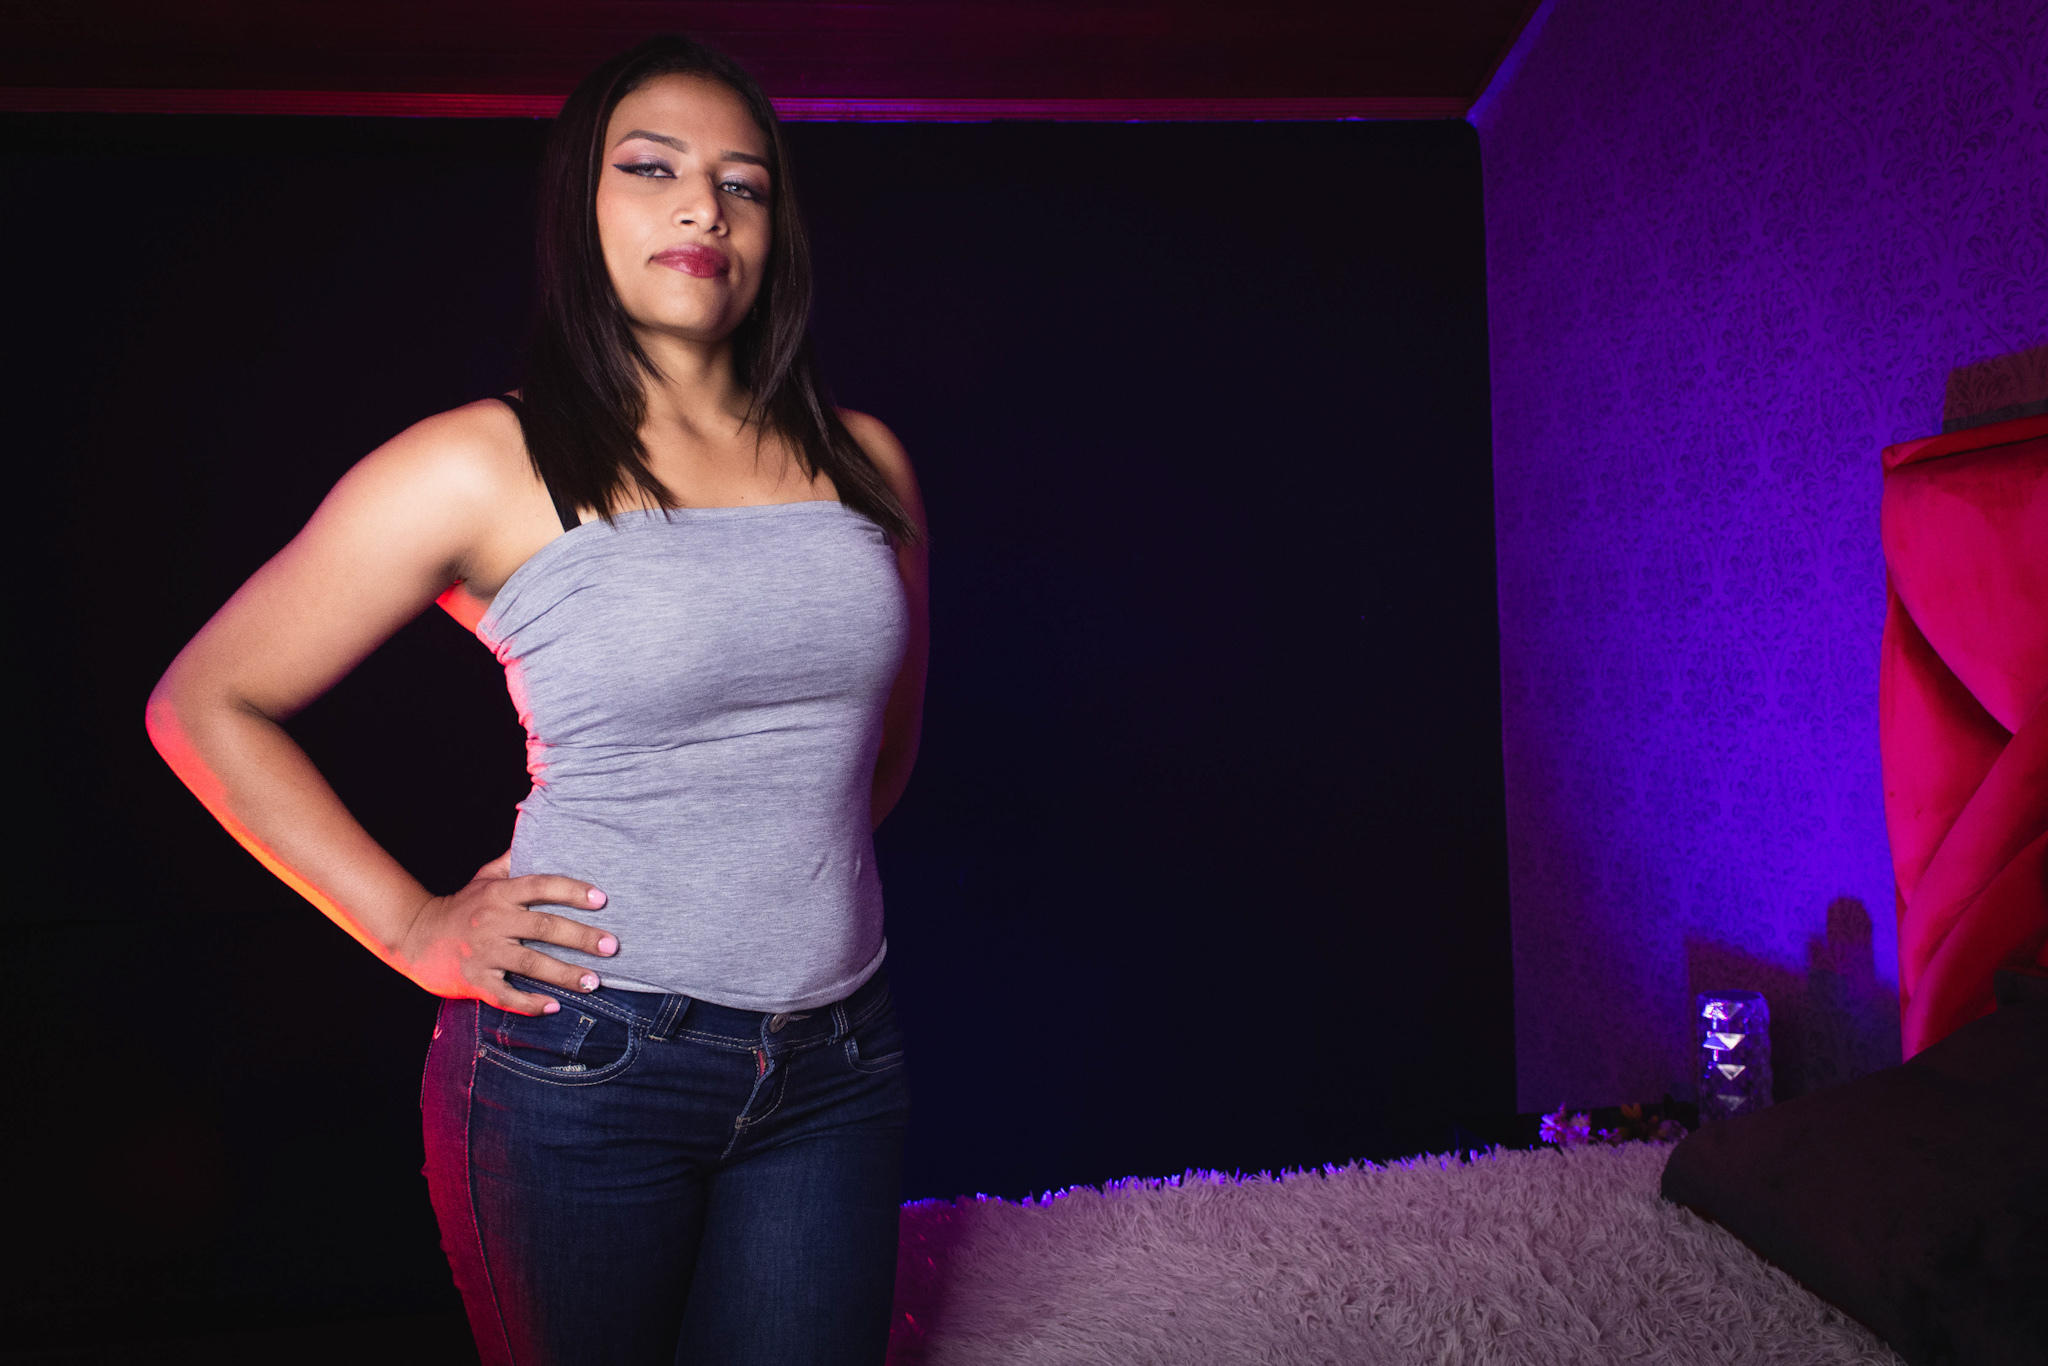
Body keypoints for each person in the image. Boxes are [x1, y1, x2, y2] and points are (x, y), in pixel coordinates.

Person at [144, 32, 930, 1366]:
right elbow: (206, 703)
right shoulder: (480, 461)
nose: (704, 207)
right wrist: (413, 925)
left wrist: (775, 901)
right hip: (586, 1064)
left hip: (840, 1065)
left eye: (743, 183)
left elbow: (882, 747)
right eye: (653, 168)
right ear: (581, 204)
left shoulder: (865, 460)